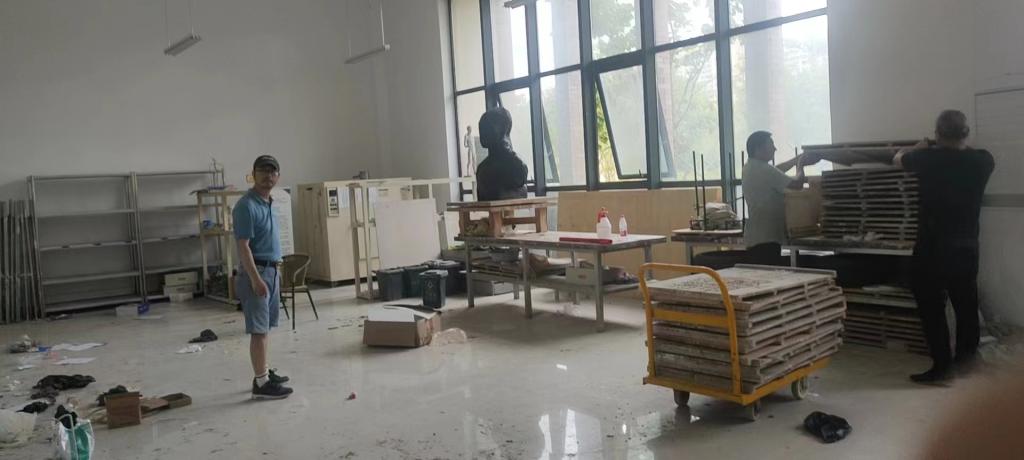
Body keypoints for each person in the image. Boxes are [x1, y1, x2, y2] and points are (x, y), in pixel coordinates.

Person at [894, 110, 994, 384]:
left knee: (932, 307)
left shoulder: (925, 158)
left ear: (937, 134)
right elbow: (966, 152)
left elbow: (897, 159)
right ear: (966, 133)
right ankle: (967, 363)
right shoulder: (983, 160)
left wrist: (919, 147)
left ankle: (942, 368)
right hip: (966, 247)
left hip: (931, 248)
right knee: (966, 306)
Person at [233, 155, 293, 399]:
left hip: (271, 271)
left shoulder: (269, 202)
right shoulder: (246, 206)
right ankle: (261, 383)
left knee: (265, 327)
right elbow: (243, 246)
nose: (268, 175)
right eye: (263, 171)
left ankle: (264, 373)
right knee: (258, 331)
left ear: (278, 176)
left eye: (272, 171)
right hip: (257, 273)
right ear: (253, 174)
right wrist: (256, 279)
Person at [741, 131, 818, 264]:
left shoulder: (751, 167)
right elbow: (797, 184)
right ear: (758, 148)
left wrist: (795, 160)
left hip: (759, 237)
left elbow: (776, 171)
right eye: (771, 145)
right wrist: (800, 165)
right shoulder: (763, 169)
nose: (775, 149)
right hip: (766, 240)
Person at [475, 107, 528, 202]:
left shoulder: (515, 165)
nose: (482, 133)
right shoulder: (482, 169)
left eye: (487, 127)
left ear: (503, 129)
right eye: (481, 128)